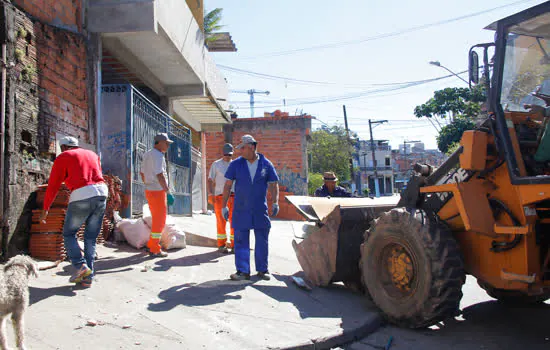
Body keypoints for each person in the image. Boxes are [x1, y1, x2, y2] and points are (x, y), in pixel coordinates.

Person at [39, 136, 108, 288]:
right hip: (102, 192)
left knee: (69, 234)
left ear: (63, 147)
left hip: (81, 194)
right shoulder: (92, 154)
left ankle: (80, 265)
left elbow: (53, 185)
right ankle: (88, 277)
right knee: (90, 238)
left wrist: (45, 209)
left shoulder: (63, 156)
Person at [222, 134, 279, 281]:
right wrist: (224, 206)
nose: (241, 151)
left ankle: (262, 270)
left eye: (243, 148)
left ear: (252, 147)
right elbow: (228, 185)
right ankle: (242, 271)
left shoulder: (266, 164)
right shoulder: (235, 164)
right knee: (241, 240)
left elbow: (273, 184)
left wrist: (275, 202)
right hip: (241, 208)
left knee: (262, 240)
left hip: (260, 208)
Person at [140, 133, 175, 257]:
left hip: (149, 190)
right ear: (159, 142)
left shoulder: (147, 154)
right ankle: (154, 248)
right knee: (160, 220)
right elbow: (160, 175)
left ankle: (151, 244)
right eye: (166, 143)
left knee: (156, 218)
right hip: (158, 191)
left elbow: (142, 173)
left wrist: (148, 184)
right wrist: (167, 191)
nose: (168, 146)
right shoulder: (158, 156)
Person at [208, 143, 235, 254]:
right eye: (225, 154)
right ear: (222, 153)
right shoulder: (216, 165)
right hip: (219, 197)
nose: (227, 156)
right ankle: (221, 245)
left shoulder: (236, 165)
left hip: (234, 197)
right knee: (221, 221)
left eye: (229, 154)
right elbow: (210, 180)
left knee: (235, 222)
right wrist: (210, 194)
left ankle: (235, 245)